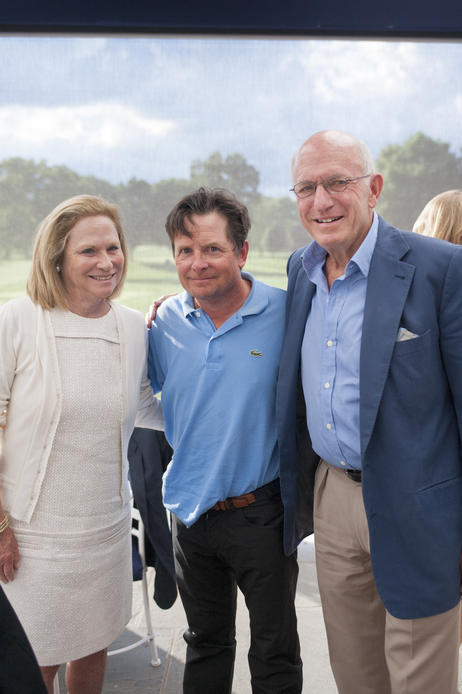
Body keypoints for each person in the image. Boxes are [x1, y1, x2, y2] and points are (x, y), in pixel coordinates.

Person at [277, 130, 462, 694]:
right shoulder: (299, 271)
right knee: (354, 672)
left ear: (374, 189)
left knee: (419, 678)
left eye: (338, 182)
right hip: (332, 501)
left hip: (420, 503)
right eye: (307, 187)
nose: (322, 201)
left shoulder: (441, 268)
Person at [0, 195, 163, 694]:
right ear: (57, 258)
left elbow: (150, 410)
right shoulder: (18, 321)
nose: (106, 261)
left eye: (113, 248)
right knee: (35, 664)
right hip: (31, 537)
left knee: (95, 646)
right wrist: (1, 526)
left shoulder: (133, 326)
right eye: (88, 250)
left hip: (106, 528)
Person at [147, 187, 302, 694]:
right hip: (189, 514)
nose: (197, 263)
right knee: (205, 643)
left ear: (241, 252)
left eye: (212, 249)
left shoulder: (287, 314)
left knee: (274, 650)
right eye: (185, 251)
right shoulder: (163, 321)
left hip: (261, 513)